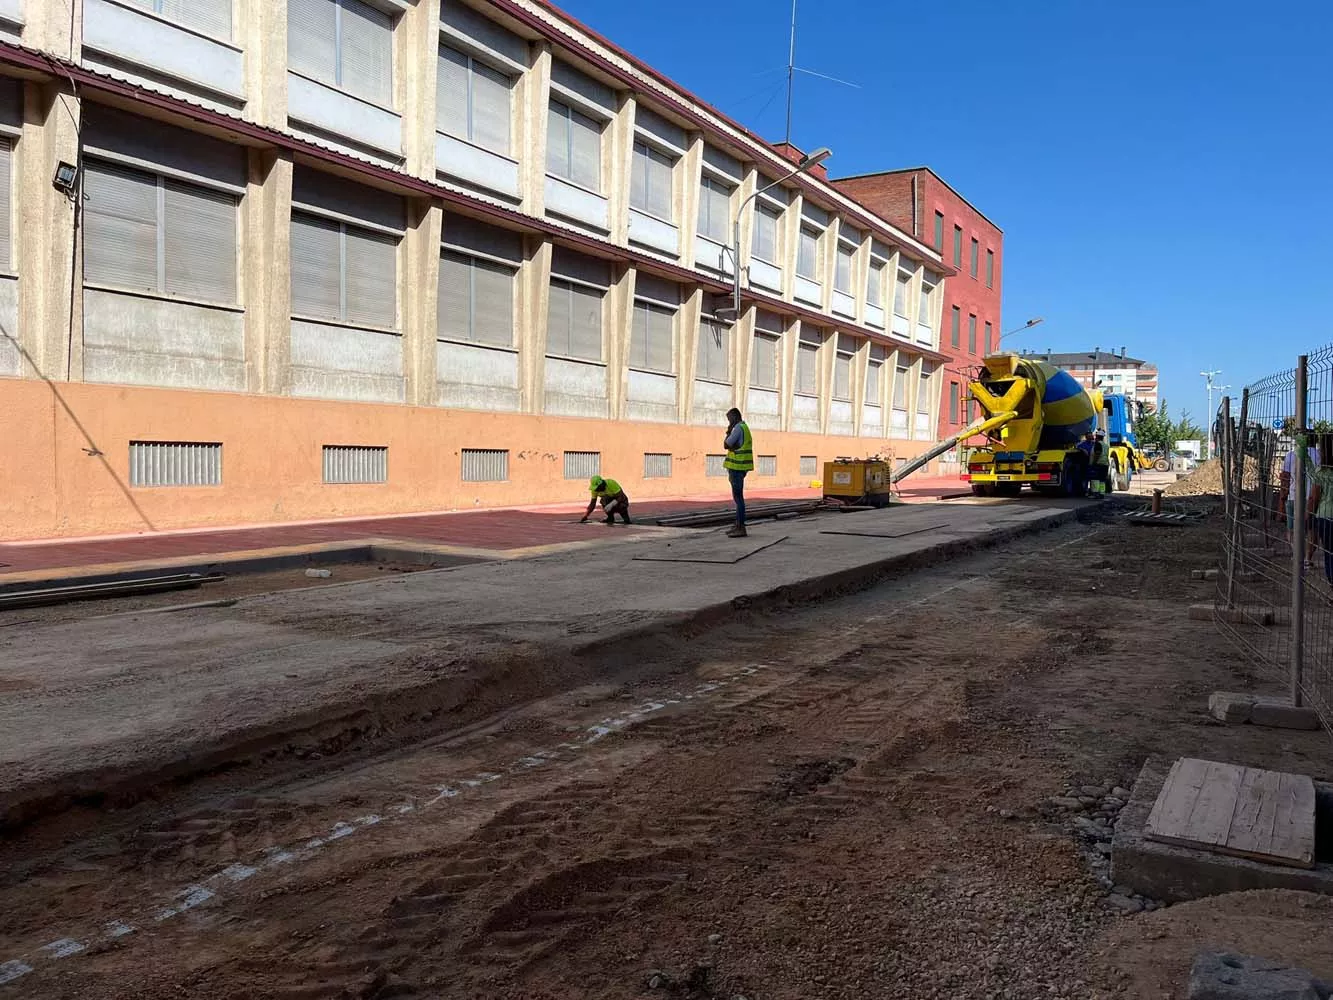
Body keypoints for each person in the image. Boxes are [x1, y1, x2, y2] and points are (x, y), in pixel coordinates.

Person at [1279, 434, 1321, 559]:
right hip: (1312, 497)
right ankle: (1308, 558)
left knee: (1291, 529)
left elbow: (1285, 479)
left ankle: (1297, 554)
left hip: (1293, 496)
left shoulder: (1290, 455)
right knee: (1312, 530)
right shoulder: (1318, 455)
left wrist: (1282, 498)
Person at [1306, 438, 1333, 588]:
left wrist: (1308, 514)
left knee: (1329, 554)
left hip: (1325, 516)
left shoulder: (1321, 472)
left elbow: (1314, 497)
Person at [722, 407, 753, 538]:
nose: (729, 422)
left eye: (729, 419)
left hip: (737, 468)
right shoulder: (745, 428)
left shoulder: (738, 428)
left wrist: (728, 433)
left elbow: (726, 444)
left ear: (734, 417)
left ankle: (740, 527)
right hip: (741, 468)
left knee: (738, 499)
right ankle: (737, 525)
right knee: (738, 498)